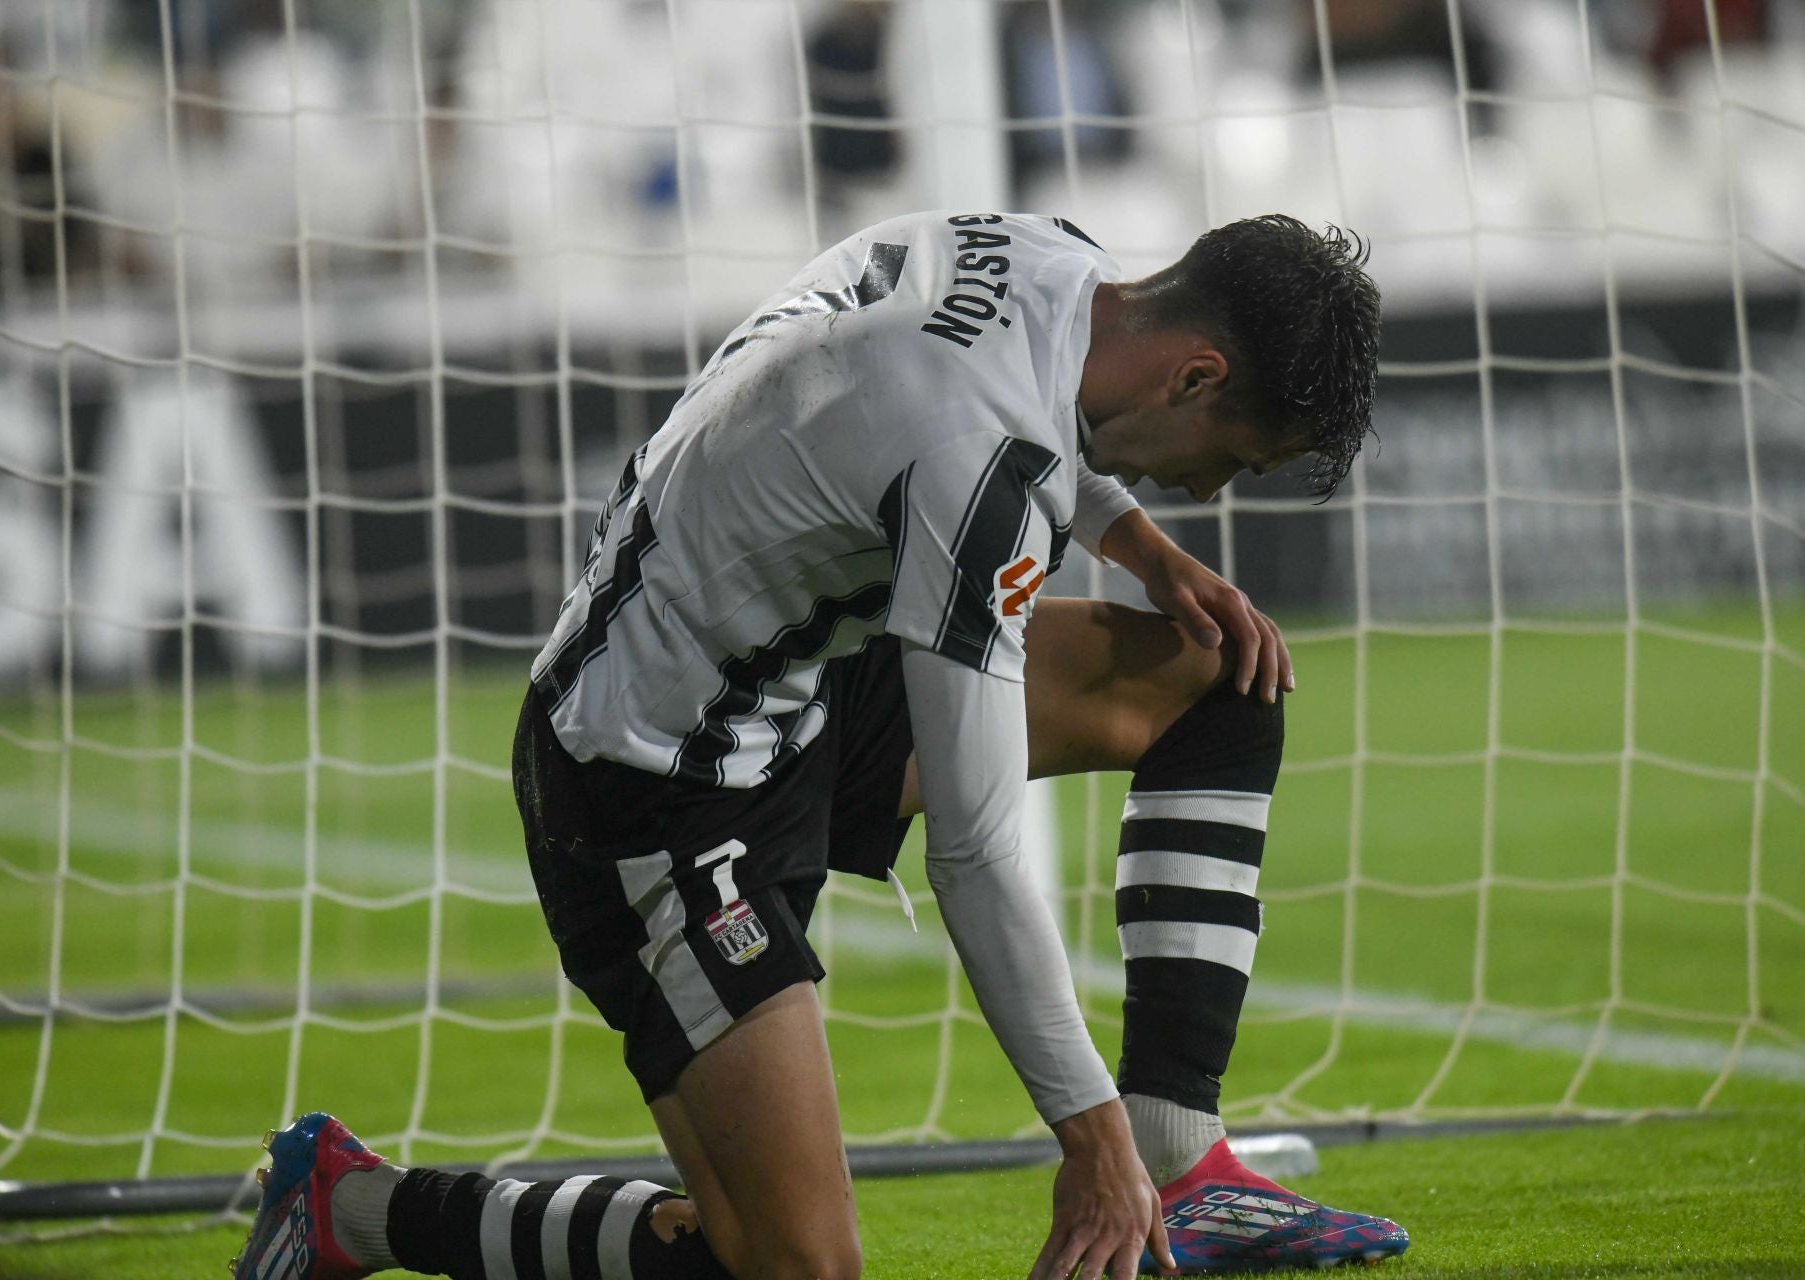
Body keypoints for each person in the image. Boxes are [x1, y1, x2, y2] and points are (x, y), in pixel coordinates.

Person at [234, 211, 1406, 1280]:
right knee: (792, 1264)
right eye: (1234, 460)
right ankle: (359, 1207)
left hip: (800, 674)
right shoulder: (983, 472)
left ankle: (1184, 1159)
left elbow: (920, 374)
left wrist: (1141, 545)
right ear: (1197, 373)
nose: (1205, 491)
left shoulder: (1042, 254)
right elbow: (979, 846)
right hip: (650, 781)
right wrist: (1089, 1140)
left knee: (1218, 680)